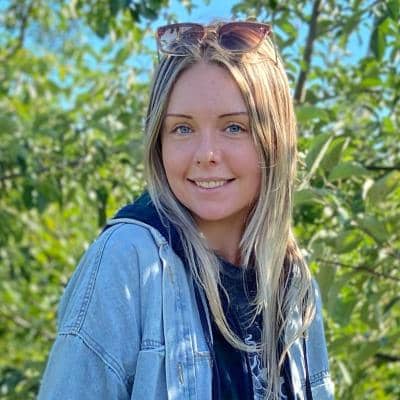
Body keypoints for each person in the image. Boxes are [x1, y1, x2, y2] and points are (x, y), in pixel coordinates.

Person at [38, 21, 334, 400]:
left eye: (234, 128)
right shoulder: (127, 262)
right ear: (158, 142)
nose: (206, 154)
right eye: (182, 129)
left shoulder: (293, 282)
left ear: (274, 141)